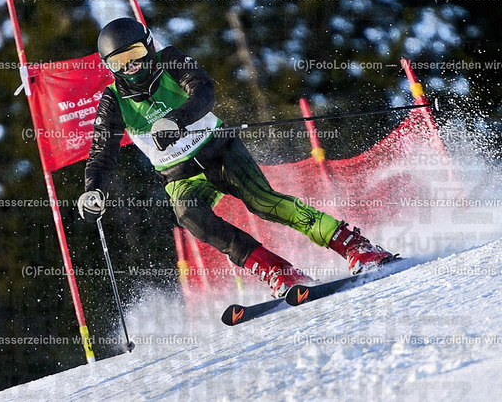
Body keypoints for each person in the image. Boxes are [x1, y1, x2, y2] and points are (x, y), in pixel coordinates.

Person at [78, 17, 393, 298]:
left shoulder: (170, 60)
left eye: (135, 54)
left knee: (263, 202)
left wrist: (177, 119)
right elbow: (102, 151)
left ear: (148, 46)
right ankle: (278, 270)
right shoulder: (113, 101)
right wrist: (93, 189)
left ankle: (353, 244)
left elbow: (203, 91)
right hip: (181, 176)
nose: (131, 67)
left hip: (220, 150)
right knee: (190, 216)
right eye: (119, 63)